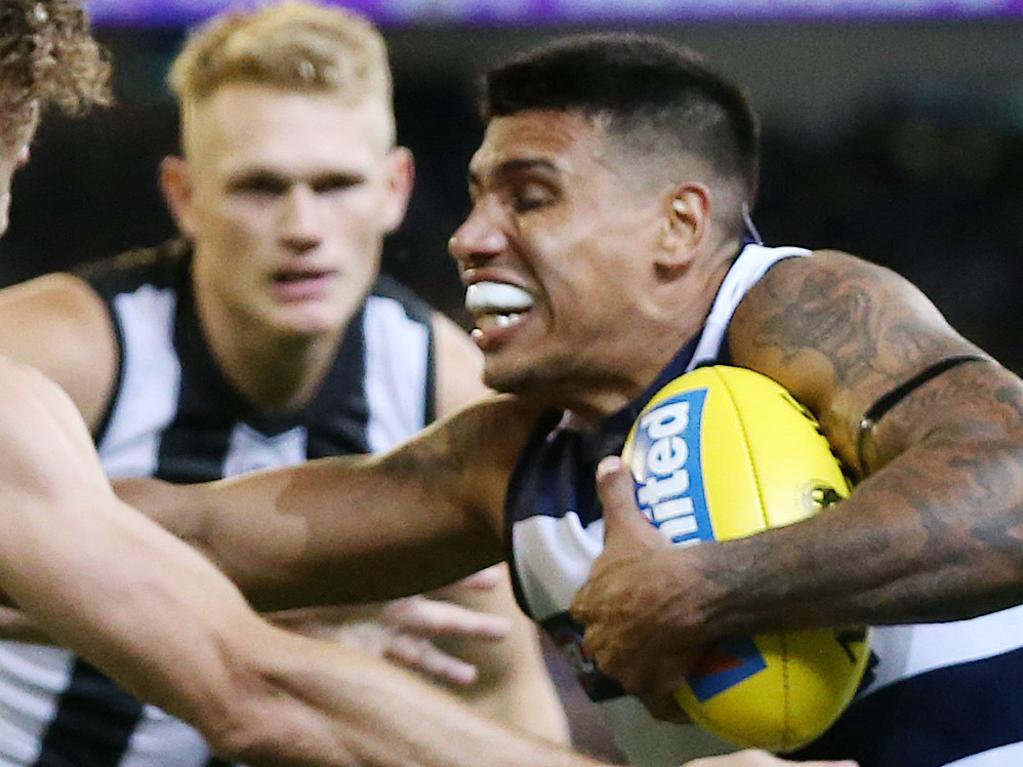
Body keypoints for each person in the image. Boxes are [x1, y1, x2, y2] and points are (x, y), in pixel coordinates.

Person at [102, 30, 1023, 767]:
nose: (467, 239)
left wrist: (704, 592)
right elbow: (178, 539)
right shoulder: (510, 461)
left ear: (678, 224)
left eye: (528, 198)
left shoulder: (791, 313)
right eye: (472, 200)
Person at [0, 3, 566, 763]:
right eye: (260, 187)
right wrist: (245, 622)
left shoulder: (450, 387)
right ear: (185, 197)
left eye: (333, 184)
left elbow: (498, 681)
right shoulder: (51, 354)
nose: (302, 226)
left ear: (395, 188)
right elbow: (248, 689)